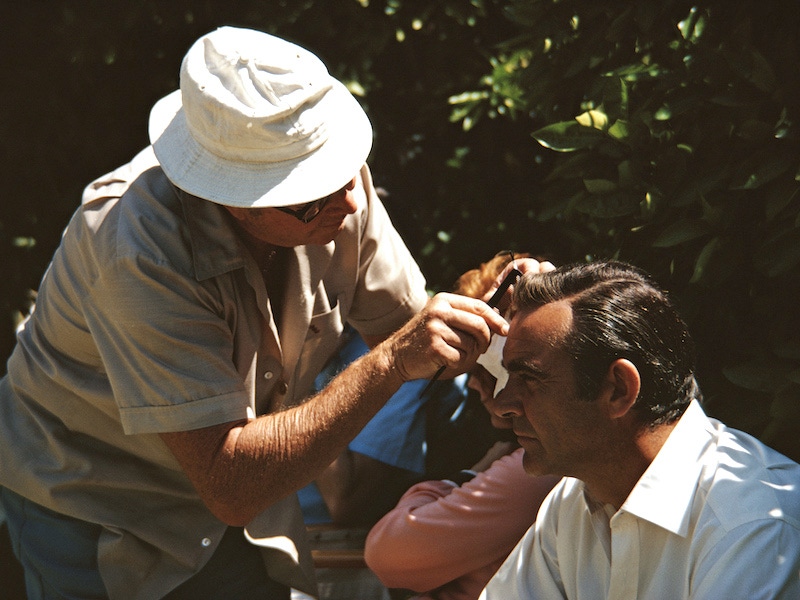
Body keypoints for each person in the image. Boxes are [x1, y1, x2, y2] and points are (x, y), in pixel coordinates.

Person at [0, 26, 509, 600]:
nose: (350, 203)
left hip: (235, 494)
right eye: (312, 193)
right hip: (95, 504)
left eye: (344, 173)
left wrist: (504, 321)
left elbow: (415, 335)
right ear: (232, 199)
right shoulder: (135, 246)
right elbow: (233, 484)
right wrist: (390, 364)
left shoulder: (336, 192)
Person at [479, 260, 800, 599]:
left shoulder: (752, 525)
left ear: (618, 390)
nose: (503, 406)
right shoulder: (574, 499)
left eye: (529, 378)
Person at [365, 252, 560, 600]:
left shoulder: (535, 471)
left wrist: (467, 478)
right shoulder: (541, 462)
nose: (471, 385)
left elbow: (386, 555)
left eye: (482, 370)